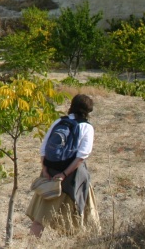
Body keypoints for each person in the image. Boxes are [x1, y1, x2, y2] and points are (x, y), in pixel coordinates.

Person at [27, 94, 99, 237]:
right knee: (73, 220)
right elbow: (82, 156)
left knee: (39, 219)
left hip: (51, 174)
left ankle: (30, 245)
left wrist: (45, 169)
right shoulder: (87, 127)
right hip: (73, 178)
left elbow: (44, 148)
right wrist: (65, 174)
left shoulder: (59, 122)